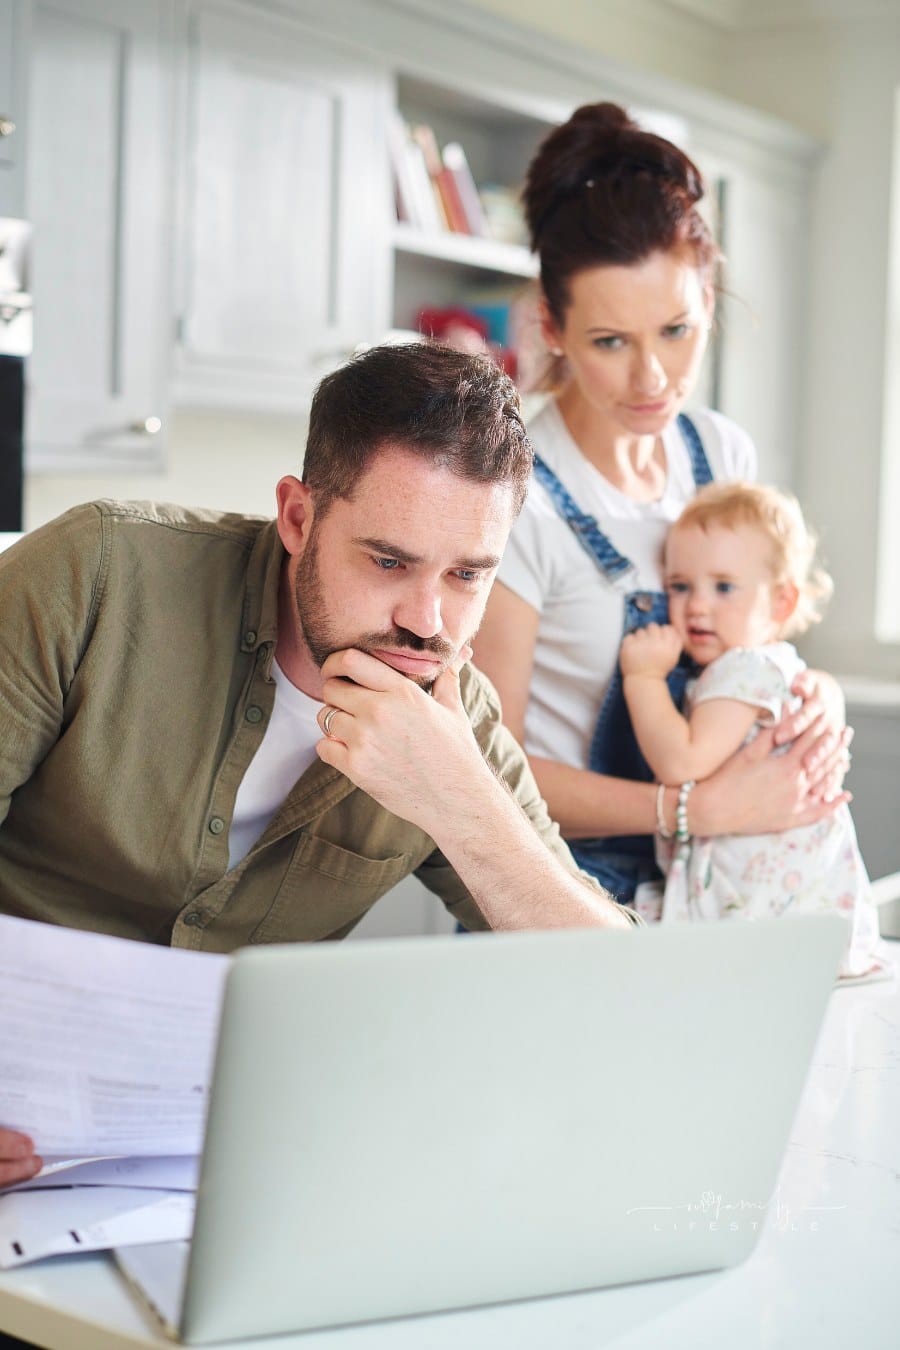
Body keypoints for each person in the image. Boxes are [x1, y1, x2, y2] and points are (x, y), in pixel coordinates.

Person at [0, 341, 637, 1187]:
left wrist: (459, 800)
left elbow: (627, 997)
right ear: (298, 518)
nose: (426, 619)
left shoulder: (458, 717)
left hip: (220, 1165)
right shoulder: (97, 578)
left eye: (468, 575)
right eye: (389, 561)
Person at [473, 101, 851, 909]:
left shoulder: (722, 455)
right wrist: (689, 807)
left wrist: (815, 700)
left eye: (676, 330)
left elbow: (760, 637)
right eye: (611, 342)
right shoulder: (514, 491)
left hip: (723, 878)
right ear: (553, 328)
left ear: (709, 302)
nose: (652, 379)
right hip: (568, 882)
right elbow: (485, 761)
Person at [619, 482, 883, 975]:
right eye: (680, 585)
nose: (697, 605)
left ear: (781, 603)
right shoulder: (761, 666)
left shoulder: (743, 670)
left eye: (723, 587)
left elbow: (681, 761)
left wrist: (643, 678)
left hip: (761, 895)